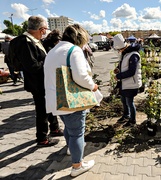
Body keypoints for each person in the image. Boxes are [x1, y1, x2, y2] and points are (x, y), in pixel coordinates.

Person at [44, 24, 98, 177]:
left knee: (69, 128)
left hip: (57, 100)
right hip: (72, 100)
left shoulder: (53, 51)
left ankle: (71, 150)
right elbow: (80, 76)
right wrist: (92, 86)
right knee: (77, 133)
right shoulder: (74, 50)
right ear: (79, 38)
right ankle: (77, 165)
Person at [10, 16, 63, 147]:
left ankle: (55, 128)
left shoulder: (33, 40)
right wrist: (49, 61)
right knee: (42, 111)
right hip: (37, 83)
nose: (45, 32)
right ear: (40, 29)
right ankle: (42, 138)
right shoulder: (25, 42)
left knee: (49, 105)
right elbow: (32, 66)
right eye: (44, 29)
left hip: (43, 81)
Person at [113, 34, 142, 127]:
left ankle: (132, 121)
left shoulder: (134, 55)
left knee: (130, 102)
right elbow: (123, 65)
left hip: (132, 84)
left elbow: (131, 71)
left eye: (119, 50)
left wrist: (119, 76)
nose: (119, 52)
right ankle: (126, 115)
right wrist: (118, 69)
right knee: (123, 100)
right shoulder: (125, 53)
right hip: (125, 83)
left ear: (124, 47)